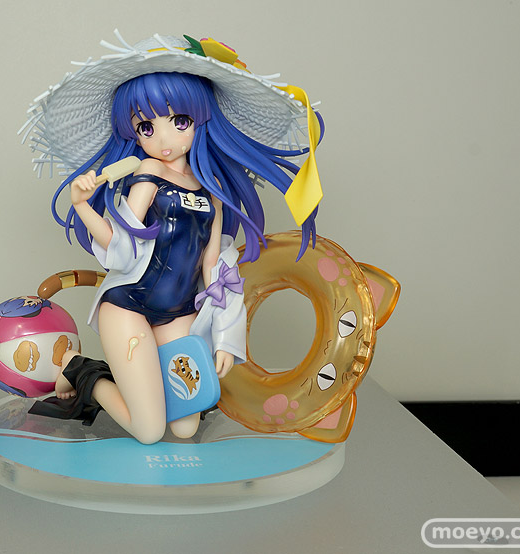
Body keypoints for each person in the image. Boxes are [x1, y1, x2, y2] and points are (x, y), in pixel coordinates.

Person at [22, 32, 324, 444]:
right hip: (128, 304)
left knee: (184, 426)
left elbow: (215, 270)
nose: (163, 141)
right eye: (146, 127)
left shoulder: (212, 190)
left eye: (179, 122)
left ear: (201, 119)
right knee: (149, 430)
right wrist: (82, 206)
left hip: (180, 311)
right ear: (134, 133)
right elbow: (120, 247)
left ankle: (131, 379)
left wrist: (225, 338)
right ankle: (79, 368)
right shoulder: (147, 173)